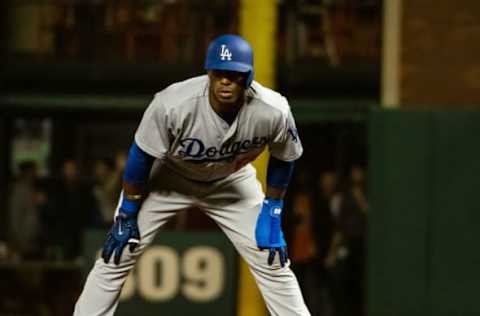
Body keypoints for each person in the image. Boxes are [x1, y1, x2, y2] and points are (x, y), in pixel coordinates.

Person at [73, 34, 310, 315]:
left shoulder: (273, 110)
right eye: (219, 73)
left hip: (231, 182)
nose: (225, 81)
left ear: (248, 77)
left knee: (272, 258)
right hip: (169, 177)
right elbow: (141, 156)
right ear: (208, 72)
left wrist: (272, 209)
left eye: (234, 74)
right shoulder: (173, 103)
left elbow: (285, 158)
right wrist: (127, 211)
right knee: (117, 252)